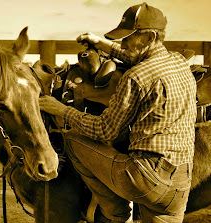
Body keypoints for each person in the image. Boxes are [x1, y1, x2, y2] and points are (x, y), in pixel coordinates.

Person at [39, 2, 197, 223]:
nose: (123, 42)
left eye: (129, 37)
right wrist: (100, 43)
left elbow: (105, 130)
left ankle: (115, 214)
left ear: (150, 37)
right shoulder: (178, 61)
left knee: (74, 141)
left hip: (146, 179)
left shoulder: (136, 77)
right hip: (180, 184)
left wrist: (62, 110)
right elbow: (136, 56)